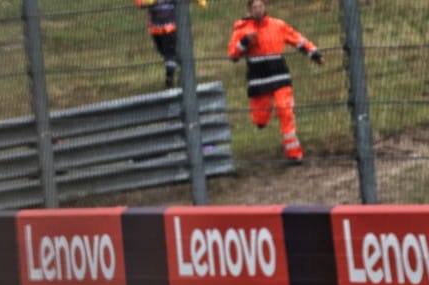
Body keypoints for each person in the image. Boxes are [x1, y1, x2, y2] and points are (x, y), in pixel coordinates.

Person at [227, 0, 324, 164]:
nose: (258, 10)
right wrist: (245, 42)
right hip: (258, 80)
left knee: (285, 111)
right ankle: (261, 121)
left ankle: (294, 154)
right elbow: (233, 55)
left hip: (280, 76)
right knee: (260, 118)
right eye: (254, 7)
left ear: (265, 7)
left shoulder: (277, 25)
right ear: (249, 10)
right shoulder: (241, 30)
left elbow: (296, 39)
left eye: (260, 6)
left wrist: (313, 53)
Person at [135, 0, 208, 89]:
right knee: (163, 52)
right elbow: (139, 4)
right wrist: (145, 2)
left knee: (169, 52)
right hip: (155, 28)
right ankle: (183, 67)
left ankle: (170, 76)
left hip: (172, 26)